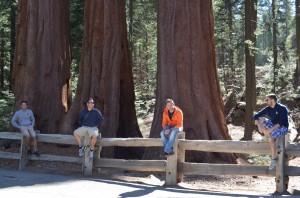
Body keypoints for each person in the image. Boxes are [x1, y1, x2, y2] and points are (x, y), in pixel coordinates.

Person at [253, 94, 289, 170]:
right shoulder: (268, 108)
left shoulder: (282, 108)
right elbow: (256, 116)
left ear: (272, 100)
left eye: (267, 100)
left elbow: (281, 122)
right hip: (272, 125)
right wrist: (260, 126)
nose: (266, 101)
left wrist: (270, 130)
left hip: (282, 127)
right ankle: (266, 133)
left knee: (271, 138)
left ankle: (273, 159)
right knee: (260, 118)